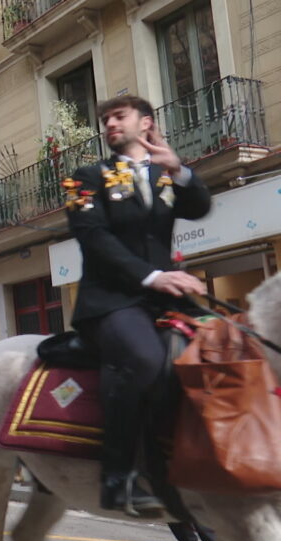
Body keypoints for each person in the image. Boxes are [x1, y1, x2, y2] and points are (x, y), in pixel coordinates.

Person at [66, 95, 211, 515]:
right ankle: (118, 477)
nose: (110, 123)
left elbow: (200, 207)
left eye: (119, 116)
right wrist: (153, 276)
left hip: (165, 302)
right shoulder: (86, 177)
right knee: (145, 359)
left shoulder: (164, 174)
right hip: (109, 302)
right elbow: (93, 237)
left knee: (228, 346)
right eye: (106, 119)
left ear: (145, 123)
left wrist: (179, 169)